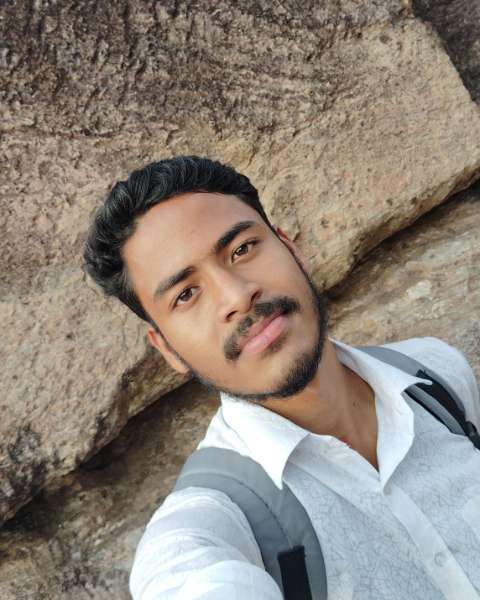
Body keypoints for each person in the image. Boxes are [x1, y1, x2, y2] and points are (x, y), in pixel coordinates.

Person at [83, 155, 480, 599]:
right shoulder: (208, 524)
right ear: (167, 349)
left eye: (242, 250)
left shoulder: (436, 376)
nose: (237, 295)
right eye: (186, 294)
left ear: (292, 250)